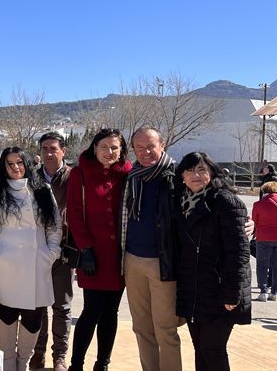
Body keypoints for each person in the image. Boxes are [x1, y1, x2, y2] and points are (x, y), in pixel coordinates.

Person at [0, 147, 61, 371]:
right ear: (3, 166)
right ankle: (8, 362)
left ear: (27, 164)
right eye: (10, 163)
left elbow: (54, 226)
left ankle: (24, 362)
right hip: (6, 264)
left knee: (34, 317)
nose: (15, 167)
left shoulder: (42, 190)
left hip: (36, 262)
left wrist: (51, 252)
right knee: (7, 313)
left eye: (19, 162)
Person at [174, 152, 251, 371]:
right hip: (193, 290)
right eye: (189, 170)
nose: (195, 175)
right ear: (182, 176)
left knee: (213, 350)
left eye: (201, 170)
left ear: (211, 172)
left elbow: (238, 252)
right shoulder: (181, 202)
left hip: (220, 291)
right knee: (200, 348)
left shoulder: (225, 201)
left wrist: (232, 293)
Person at [66, 128, 132, 371]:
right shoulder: (80, 173)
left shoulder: (128, 173)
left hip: (120, 255)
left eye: (115, 147)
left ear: (122, 150)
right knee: (91, 311)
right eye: (104, 146)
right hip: (92, 255)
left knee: (111, 313)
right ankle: (76, 364)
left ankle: (102, 363)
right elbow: (73, 213)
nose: (109, 152)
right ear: (94, 148)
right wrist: (85, 248)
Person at [120, 127, 181, 371]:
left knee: (165, 328)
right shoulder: (132, 175)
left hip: (162, 262)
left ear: (162, 144)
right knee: (141, 327)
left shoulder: (177, 174)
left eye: (151, 146)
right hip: (132, 259)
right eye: (139, 147)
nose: (145, 152)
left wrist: (243, 223)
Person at [30, 132, 73, 371]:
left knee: (62, 307)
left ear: (63, 151)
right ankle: (38, 353)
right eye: (45, 148)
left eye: (53, 148)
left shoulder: (74, 177)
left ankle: (60, 357)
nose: (49, 153)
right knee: (38, 305)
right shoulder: (32, 178)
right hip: (37, 251)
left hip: (64, 250)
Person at [252, 181, 277, 301]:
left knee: (262, 265)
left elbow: (255, 220)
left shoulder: (258, 204)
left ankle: (263, 291)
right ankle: (275, 292)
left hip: (264, 236)